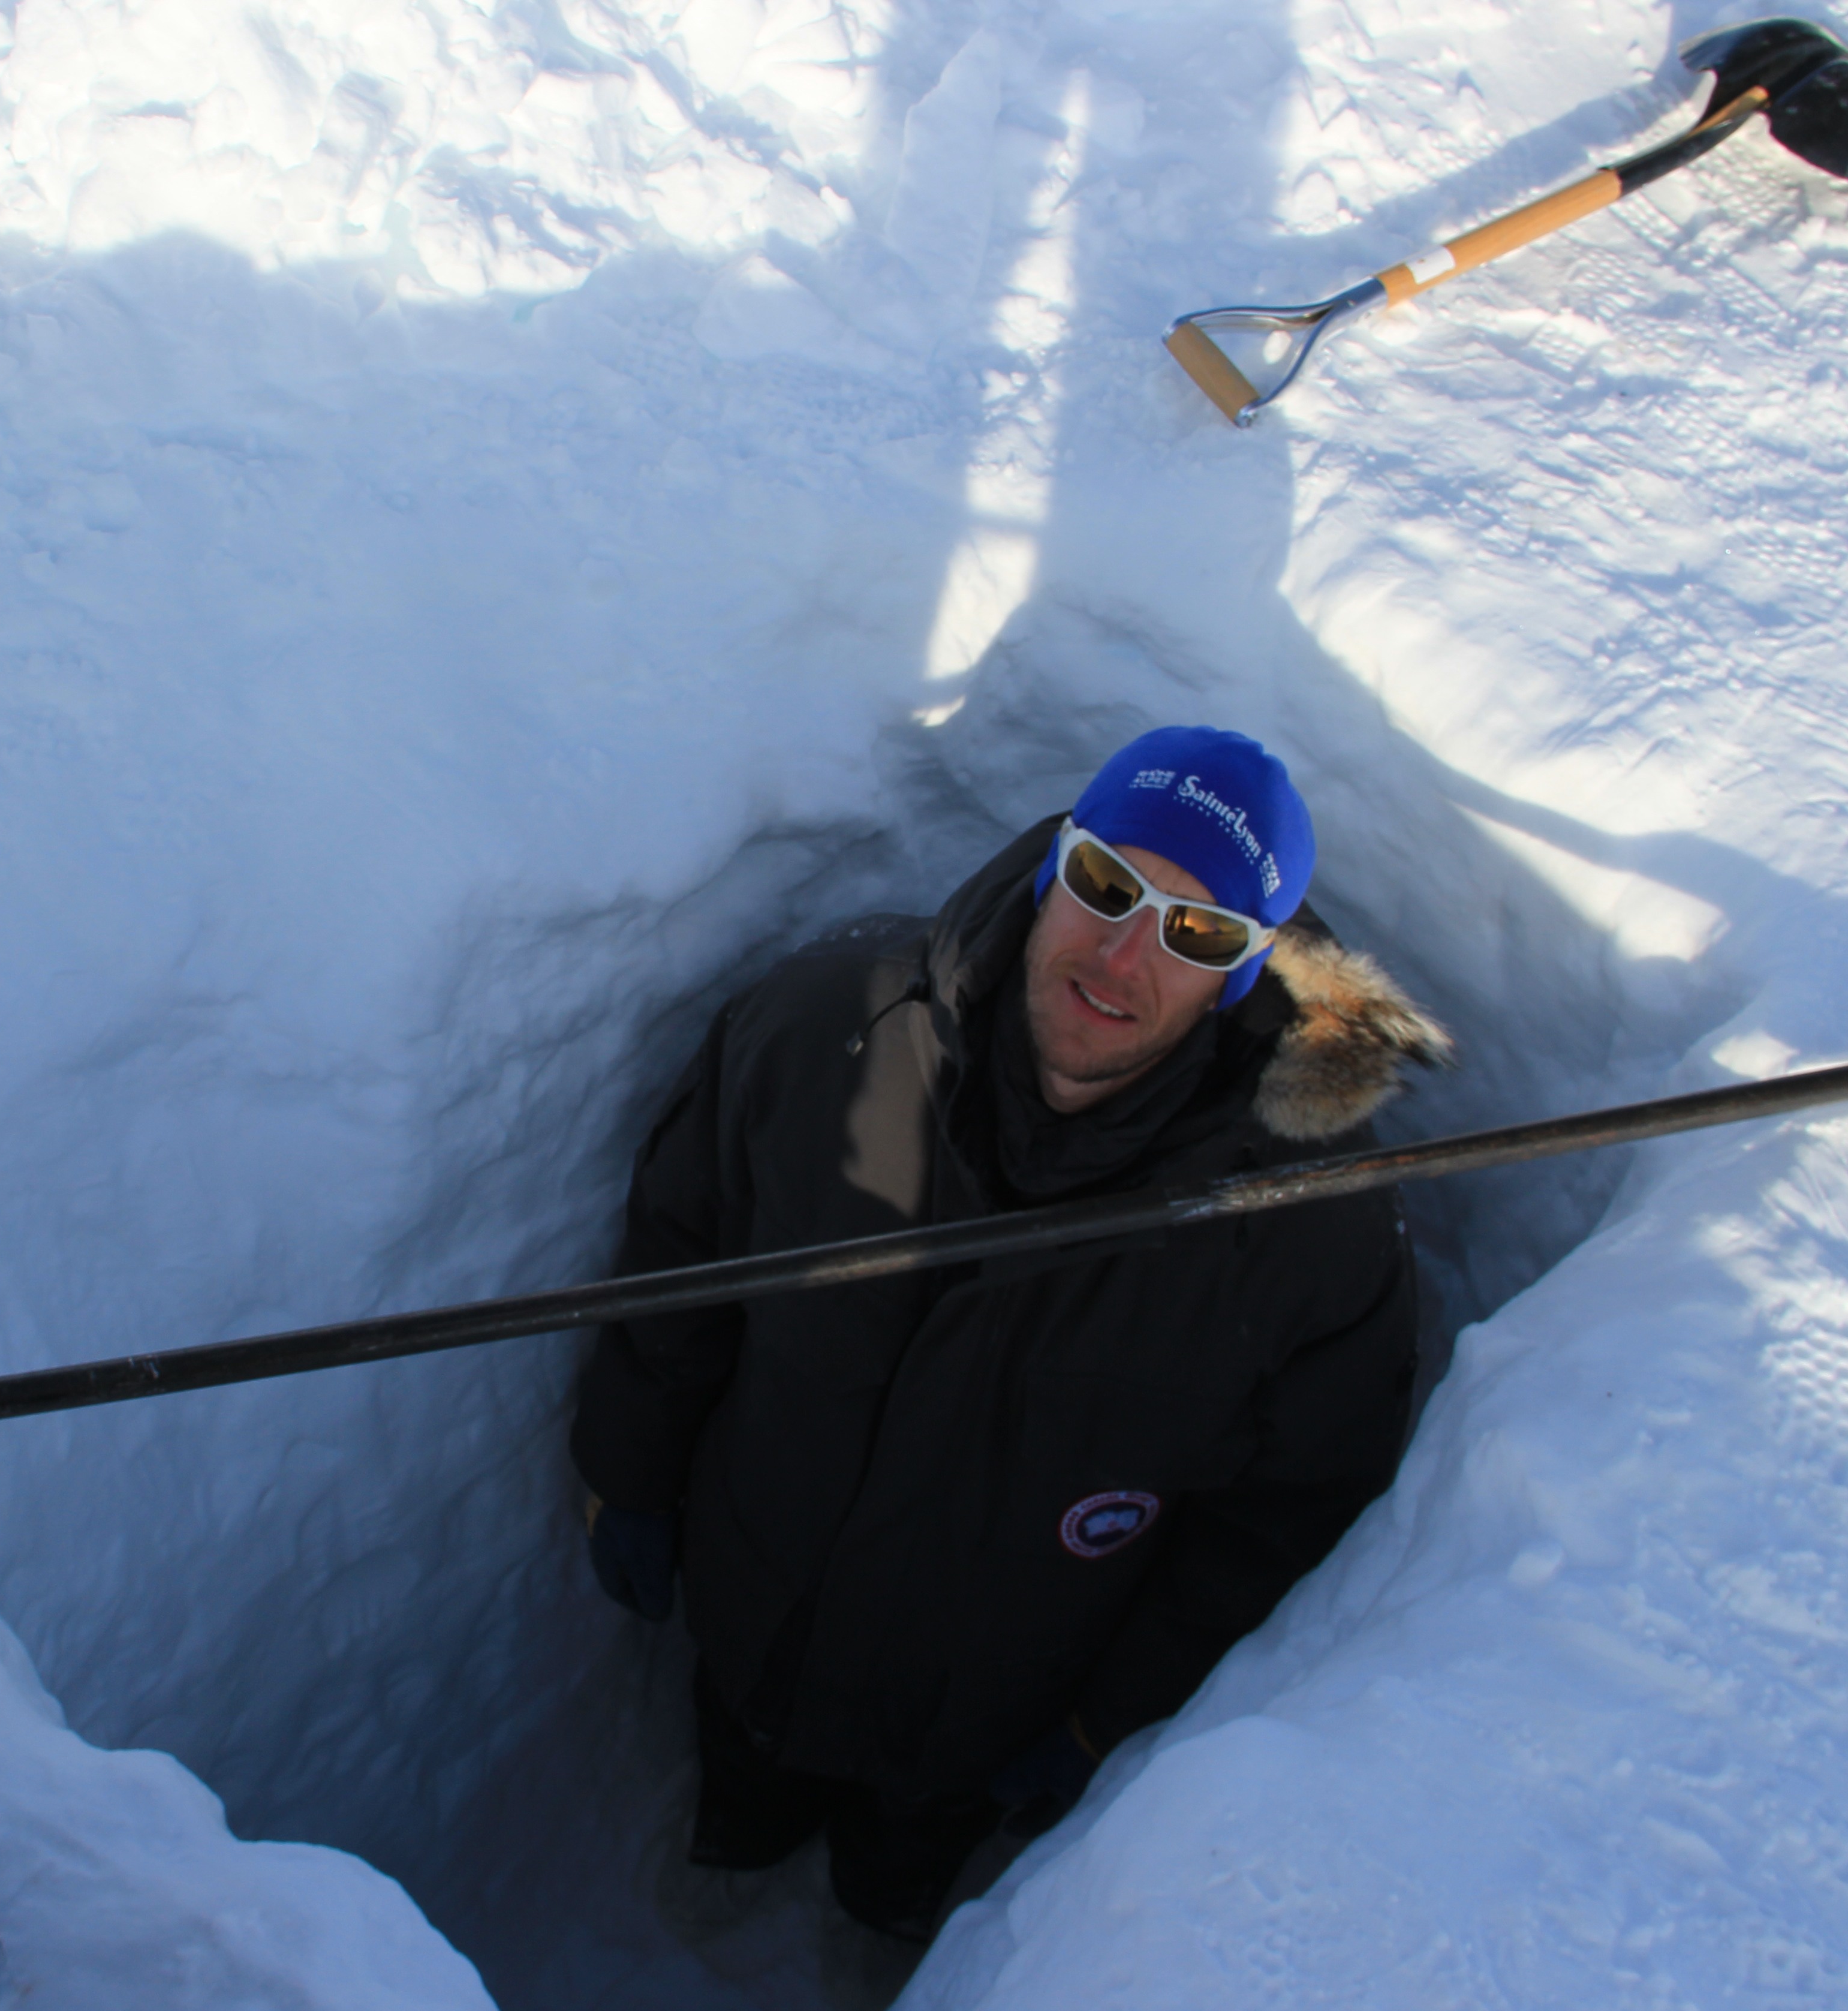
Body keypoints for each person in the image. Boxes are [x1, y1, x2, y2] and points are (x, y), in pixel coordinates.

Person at [570, 724, 1451, 1941]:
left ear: (1245, 974)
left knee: (899, 1879)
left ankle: (880, 1936)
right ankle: (733, 1861)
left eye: (1198, 934)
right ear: (1053, 865)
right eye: (1107, 883)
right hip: (757, 1605)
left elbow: (1284, 1519)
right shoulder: (826, 1034)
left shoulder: (1307, 1235)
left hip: (985, 1714)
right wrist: (627, 1471)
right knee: (746, 1782)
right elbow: (680, 1256)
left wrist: (1108, 1721)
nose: (1125, 954)